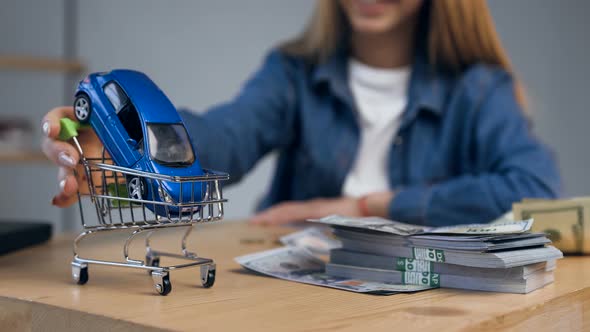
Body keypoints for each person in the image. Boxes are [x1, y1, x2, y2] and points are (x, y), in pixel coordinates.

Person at [41, 0, 561, 226]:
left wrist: (363, 207)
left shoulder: (478, 88)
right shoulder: (293, 72)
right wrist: (124, 141)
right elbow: (227, 135)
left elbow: (534, 191)